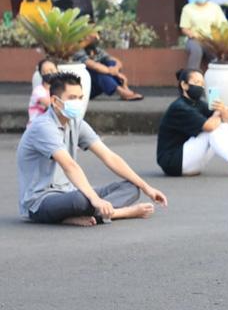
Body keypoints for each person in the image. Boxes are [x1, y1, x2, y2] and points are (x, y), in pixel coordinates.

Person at [16, 72, 168, 226]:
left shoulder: (75, 123)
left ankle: (78, 216)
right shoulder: (43, 127)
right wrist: (95, 199)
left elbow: (109, 157)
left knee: (132, 188)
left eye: (80, 98)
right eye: (72, 98)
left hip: (69, 191)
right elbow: (69, 165)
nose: (78, 102)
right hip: (40, 202)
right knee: (82, 200)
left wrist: (147, 187)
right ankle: (119, 213)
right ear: (55, 101)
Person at [157, 69, 228, 178]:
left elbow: (225, 120)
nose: (200, 87)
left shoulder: (197, 103)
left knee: (222, 126)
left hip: (189, 162)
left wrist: (223, 109)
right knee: (214, 130)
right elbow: (210, 126)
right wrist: (218, 114)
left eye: (202, 84)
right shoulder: (179, 107)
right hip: (173, 163)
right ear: (184, 85)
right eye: (196, 82)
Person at [72, 40, 144, 101]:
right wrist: (116, 73)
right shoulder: (76, 50)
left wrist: (115, 68)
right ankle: (121, 91)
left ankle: (123, 87)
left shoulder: (96, 49)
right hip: (83, 88)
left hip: (96, 85)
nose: (96, 37)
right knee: (97, 70)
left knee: (111, 63)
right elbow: (93, 65)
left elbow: (116, 61)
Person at [180, 0, 228, 70]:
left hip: (211, 40)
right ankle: (191, 77)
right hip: (194, 40)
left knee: (216, 53)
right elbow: (184, 28)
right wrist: (194, 35)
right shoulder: (187, 9)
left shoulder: (215, 8)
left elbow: (223, 25)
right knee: (196, 51)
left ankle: (218, 76)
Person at [28, 59, 58, 124]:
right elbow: (50, 105)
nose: (49, 73)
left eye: (52, 70)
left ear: (57, 70)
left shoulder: (59, 89)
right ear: (40, 74)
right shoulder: (38, 91)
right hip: (37, 127)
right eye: (45, 72)